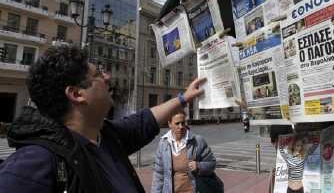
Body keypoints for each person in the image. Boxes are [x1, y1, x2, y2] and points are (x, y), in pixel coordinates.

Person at [0, 45, 206, 193]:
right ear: (77, 94)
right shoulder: (35, 162)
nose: (107, 77)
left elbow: (143, 121)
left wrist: (184, 97)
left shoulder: (105, 136)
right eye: (98, 74)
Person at [151, 110, 216, 193]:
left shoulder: (197, 141)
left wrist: (199, 166)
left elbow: (212, 163)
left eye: (183, 123)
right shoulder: (163, 143)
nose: (181, 126)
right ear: (169, 124)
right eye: (177, 123)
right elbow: (158, 173)